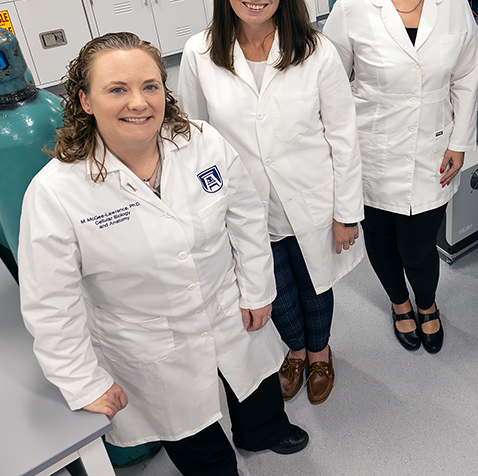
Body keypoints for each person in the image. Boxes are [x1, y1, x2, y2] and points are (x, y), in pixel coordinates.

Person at [18, 32, 309, 476]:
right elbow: (50, 304)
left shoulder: (200, 141)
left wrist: (256, 289)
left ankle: (263, 430)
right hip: (146, 338)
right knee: (189, 429)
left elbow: (247, 216)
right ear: (85, 101)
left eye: (150, 86)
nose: (138, 102)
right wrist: (82, 381)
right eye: (117, 89)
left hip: (228, 306)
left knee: (255, 382)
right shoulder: (56, 192)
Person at [178, 0, 363, 405]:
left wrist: (348, 212)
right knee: (273, 289)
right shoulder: (199, 53)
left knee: (315, 284)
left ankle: (320, 354)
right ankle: (295, 352)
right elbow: (192, 137)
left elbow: (343, 135)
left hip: (311, 198)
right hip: (243, 205)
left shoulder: (316, 50)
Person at [322, 0, 478, 354]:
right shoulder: (353, 2)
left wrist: (459, 140)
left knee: (419, 244)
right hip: (372, 146)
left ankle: (427, 303)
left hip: (434, 146)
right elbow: (331, 80)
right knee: (380, 235)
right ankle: (399, 302)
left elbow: (468, 72)